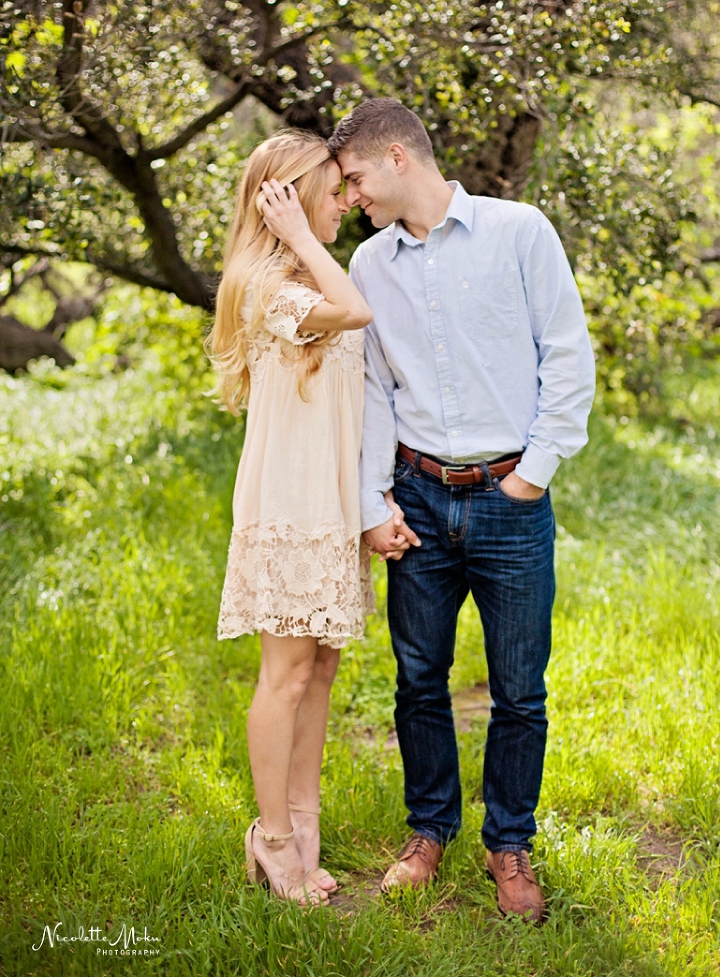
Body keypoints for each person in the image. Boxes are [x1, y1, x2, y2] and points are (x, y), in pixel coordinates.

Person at [328, 98, 596, 922]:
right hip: (414, 498)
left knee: (520, 690)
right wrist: (374, 499)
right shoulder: (370, 265)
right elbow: (374, 388)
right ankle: (429, 829)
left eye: (356, 178)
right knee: (418, 681)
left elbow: (567, 352)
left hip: (510, 497)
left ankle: (508, 842)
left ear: (399, 159)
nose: (351, 197)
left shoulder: (520, 231)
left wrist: (534, 475)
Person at [208, 130, 381, 906]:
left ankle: (304, 821)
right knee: (284, 677)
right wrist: (304, 238)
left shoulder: (304, 268)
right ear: (289, 200)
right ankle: (272, 838)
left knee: (322, 667)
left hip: (332, 504)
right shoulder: (269, 284)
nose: (347, 201)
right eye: (333, 189)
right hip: (289, 505)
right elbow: (355, 311)